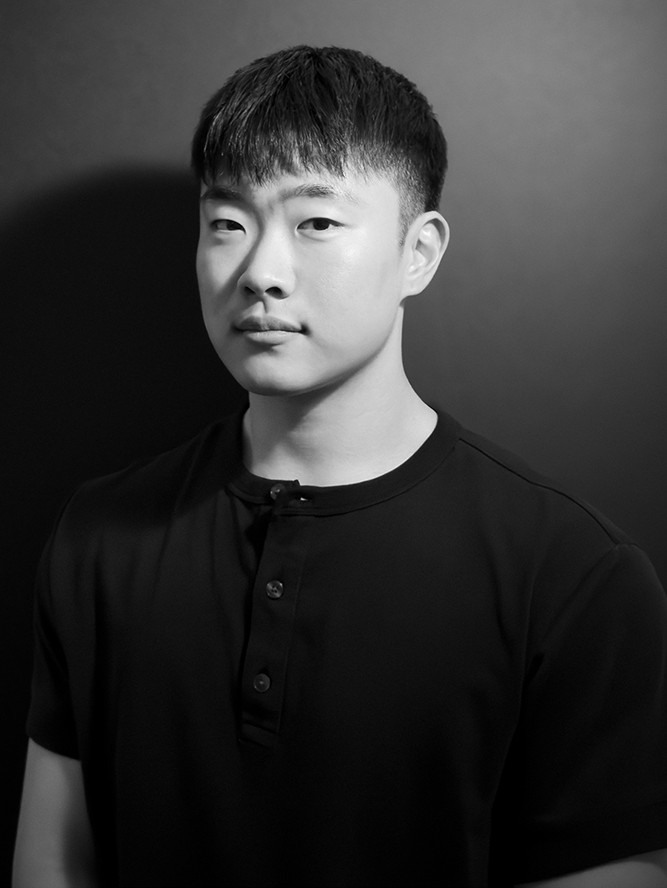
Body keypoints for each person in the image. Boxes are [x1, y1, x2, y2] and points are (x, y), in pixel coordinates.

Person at [13, 45, 667, 888]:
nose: (260, 273)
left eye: (315, 222)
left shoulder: (574, 575)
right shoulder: (99, 535)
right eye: (227, 223)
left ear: (417, 253)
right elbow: (52, 863)